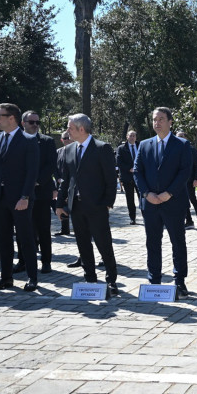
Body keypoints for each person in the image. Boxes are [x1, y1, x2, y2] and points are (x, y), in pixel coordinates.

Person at [56, 114, 120, 295]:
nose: (68, 131)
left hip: (97, 206)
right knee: (83, 244)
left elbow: (110, 178)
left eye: (70, 128)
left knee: (103, 244)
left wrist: (107, 203)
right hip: (76, 206)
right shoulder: (69, 150)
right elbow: (66, 180)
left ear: (81, 129)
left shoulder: (102, 148)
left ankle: (111, 280)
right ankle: (89, 278)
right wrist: (60, 204)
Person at [0, 103, 39, 292]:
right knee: (2, 238)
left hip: (20, 199)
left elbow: (32, 172)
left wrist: (25, 196)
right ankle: (6, 278)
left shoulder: (28, 141)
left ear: (11, 118)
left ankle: (32, 277)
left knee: (25, 237)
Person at [133, 107, 193, 296]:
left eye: (161, 119)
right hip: (150, 203)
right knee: (152, 242)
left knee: (177, 242)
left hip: (173, 202)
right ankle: (154, 280)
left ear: (170, 122)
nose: (157, 123)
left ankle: (180, 280)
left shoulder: (182, 145)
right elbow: (137, 171)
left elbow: (185, 172)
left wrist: (169, 193)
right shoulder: (144, 145)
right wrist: (146, 193)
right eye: (154, 119)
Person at [19, 110, 56, 274]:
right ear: (23, 123)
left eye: (37, 122)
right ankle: (23, 261)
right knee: (22, 228)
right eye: (31, 122)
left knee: (43, 228)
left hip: (41, 192)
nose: (35, 125)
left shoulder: (47, 141)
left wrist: (36, 181)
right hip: (20, 193)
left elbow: (51, 165)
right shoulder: (16, 141)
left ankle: (46, 261)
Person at [176, 131, 197, 230]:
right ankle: (189, 221)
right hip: (180, 181)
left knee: (193, 200)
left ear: (186, 137)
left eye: (182, 136)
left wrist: (196, 179)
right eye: (178, 136)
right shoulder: (176, 149)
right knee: (183, 201)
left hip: (190, 181)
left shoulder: (191, 149)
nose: (180, 138)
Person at [116, 130, 140, 225]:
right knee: (130, 199)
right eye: (130, 135)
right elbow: (119, 161)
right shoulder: (121, 148)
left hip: (140, 176)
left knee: (142, 197)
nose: (132, 137)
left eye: (134, 135)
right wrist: (129, 169)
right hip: (127, 177)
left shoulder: (141, 146)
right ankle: (132, 218)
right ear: (127, 137)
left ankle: (146, 216)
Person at [56, 131, 74, 239]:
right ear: (61, 140)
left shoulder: (75, 150)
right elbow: (54, 166)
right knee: (61, 205)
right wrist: (58, 178)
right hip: (61, 182)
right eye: (64, 138)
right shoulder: (58, 151)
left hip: (72, 183)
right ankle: (64, 229)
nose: (66, 140)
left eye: (68, 138)